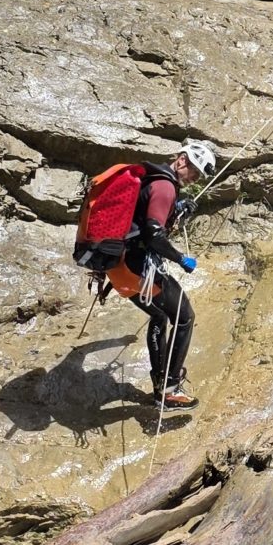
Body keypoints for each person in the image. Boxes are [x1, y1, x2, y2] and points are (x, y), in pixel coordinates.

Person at [77, 140, 217, 409]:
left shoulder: (153, 180)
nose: (194, 179)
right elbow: (153, 236)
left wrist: (177, 209)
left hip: (118, 269)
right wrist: (180, 258)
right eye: (195, 172)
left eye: (199, 176)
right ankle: (170, 388)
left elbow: (142, 221)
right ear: (182, 161)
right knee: (184, 317)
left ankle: (160, 384)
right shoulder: (165, 186)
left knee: (159, 315)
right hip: (136, 268)